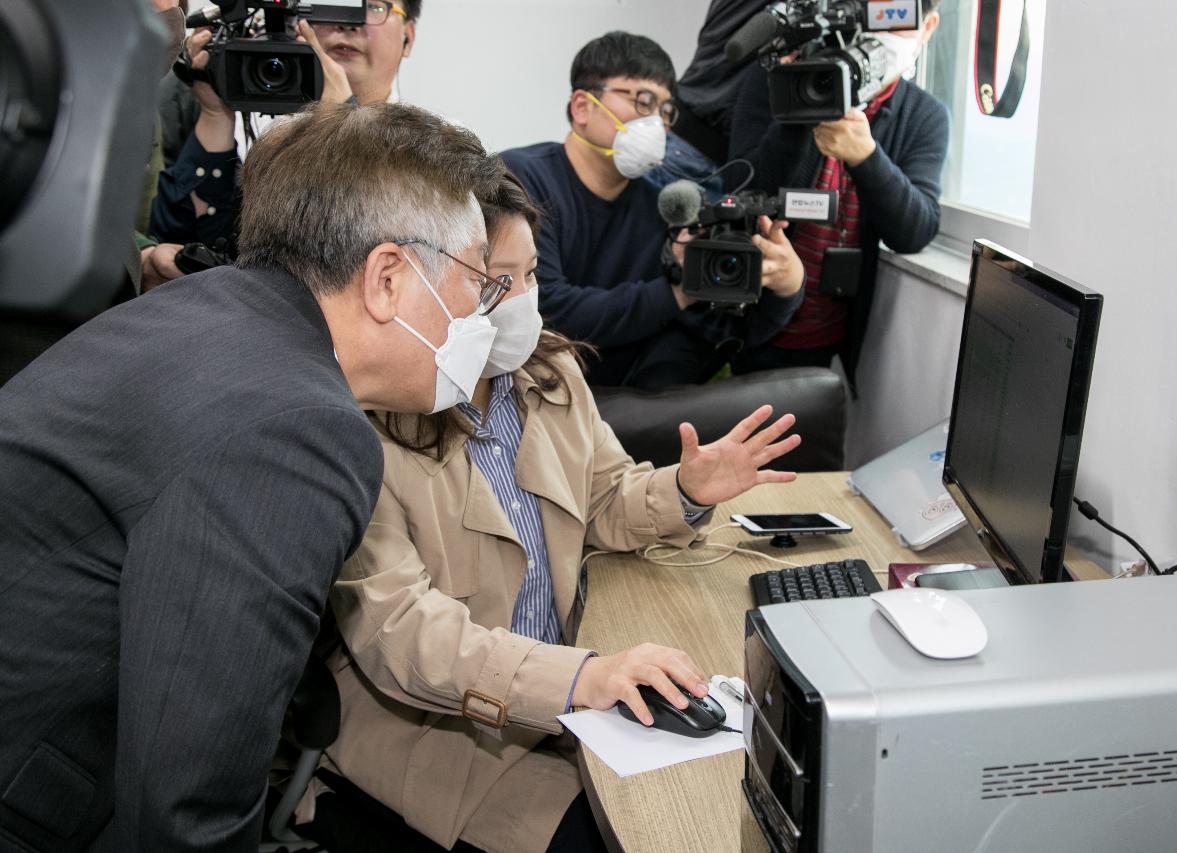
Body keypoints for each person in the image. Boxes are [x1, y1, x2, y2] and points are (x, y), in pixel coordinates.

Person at [0, 101, 504, 849]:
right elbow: (186, 808)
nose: (484, 313)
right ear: (389, 278)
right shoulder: (297, 426)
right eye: (478, 282)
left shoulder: (214, 310)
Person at [305, 170, 801, 853]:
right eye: (494, 282)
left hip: (567, 697)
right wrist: (580, 677)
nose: (521, 300)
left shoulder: (549, 372)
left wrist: (686, 488)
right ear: (422, 283)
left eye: (531, 273)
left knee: (741, 793)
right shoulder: (363, 414)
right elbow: (403, 633)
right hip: (446, 735)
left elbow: (603, 500)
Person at [501, 31, 806, 390]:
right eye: (643, 101)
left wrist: (788, 286)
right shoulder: (520, 180)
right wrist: (675, 293)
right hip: (538, 394)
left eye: (665, 110)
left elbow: (727, 330)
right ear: (582, 107)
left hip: (632, 406)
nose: (657, 123)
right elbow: (547, 310)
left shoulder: (670, 202)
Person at [728, 0, 949, 392]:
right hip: (754, 317)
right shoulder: (772, 82)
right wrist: (796, 103)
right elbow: (746, 194)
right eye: (869, 18)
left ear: (927, 27)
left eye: (896, 21)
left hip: (833, 331)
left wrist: (867, 157)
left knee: (813, 444)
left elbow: (914, 231)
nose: (878, 36)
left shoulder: (923, 115)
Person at [149, 0, 421, 250]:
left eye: (373, 7)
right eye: (335, 0)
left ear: (409, 37)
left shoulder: (428, 149)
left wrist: (339, 126)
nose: (348, 25)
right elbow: (177, 246)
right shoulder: (237, 109)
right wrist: (215, 114)